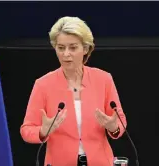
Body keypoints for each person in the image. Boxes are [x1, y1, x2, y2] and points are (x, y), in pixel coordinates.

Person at [20, 16, 127, 166]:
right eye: (61, 48)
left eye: (73, 47)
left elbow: (120, 120)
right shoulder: (43, 84)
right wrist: (43, 131)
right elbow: (26, 130)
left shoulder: (103, 79)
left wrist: (113, 127)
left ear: (85, 48)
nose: (66, 54)